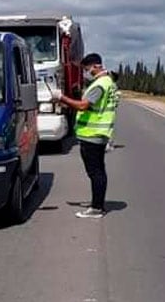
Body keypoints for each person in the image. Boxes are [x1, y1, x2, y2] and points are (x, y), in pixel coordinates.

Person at [51, 53, 119, 219]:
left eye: (87, 69)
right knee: (98, 171)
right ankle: (97, 203)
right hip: (99, 133)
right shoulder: (108, 82)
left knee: (95, 172)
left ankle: (97, 208)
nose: (86, 72)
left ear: (96, 66)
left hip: (92, 134)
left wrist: (62, 98)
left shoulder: (99, 85)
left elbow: (82, 106)